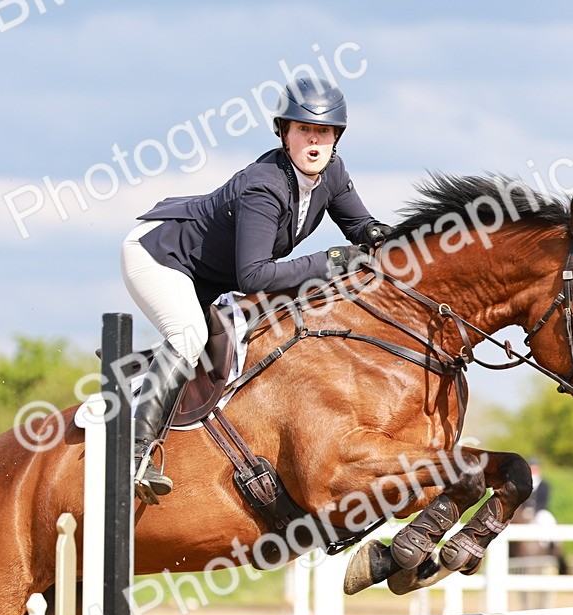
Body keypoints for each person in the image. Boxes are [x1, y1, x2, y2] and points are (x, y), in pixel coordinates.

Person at [121, 76, 391, 501]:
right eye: (304, 130)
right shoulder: (264, 186)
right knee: (189, 336)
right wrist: (331, 261)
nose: (314, 141)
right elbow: (255, 277)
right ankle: (134, 457)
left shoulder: (332, 173)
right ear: (284, 132)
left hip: (210, 275)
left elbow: (358, 225)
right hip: (161, 257)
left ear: (336, 136)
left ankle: (141, 370)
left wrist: (384, 234)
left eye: (323, 132)